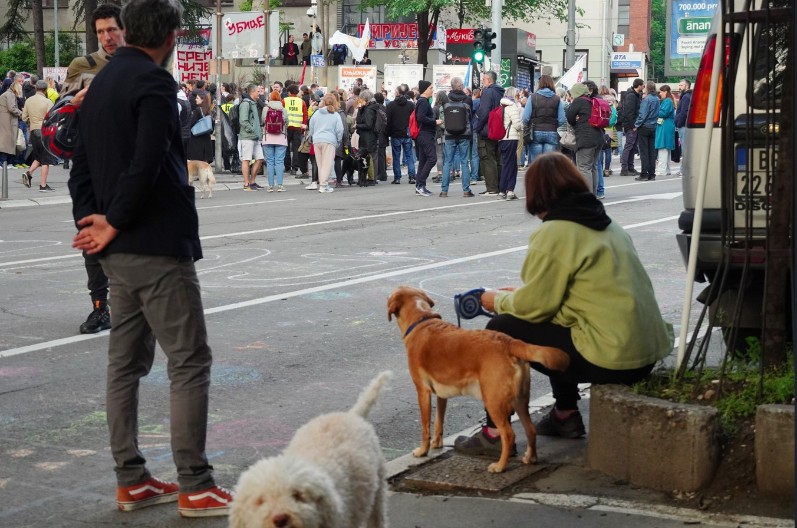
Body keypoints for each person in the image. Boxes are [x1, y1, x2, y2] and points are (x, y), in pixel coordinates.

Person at [67, 0, 233, 516]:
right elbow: (146, 164)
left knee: (125, 363)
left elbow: (81, 166)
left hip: (116, 250)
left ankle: (131, 478)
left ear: (128, 31)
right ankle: (195, 483)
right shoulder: (156, 84)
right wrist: (112, 221)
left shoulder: (99, 85)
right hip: (155, 244)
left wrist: (92, 223)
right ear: (173, 36)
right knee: (188, 361)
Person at [453, 151, 673, 455]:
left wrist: (496, 300)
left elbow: (536, 307)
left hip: (612, 358)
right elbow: (565, 297)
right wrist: (515, 296)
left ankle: (494, 432)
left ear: (538, 194)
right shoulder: (606, 224)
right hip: (643, 352)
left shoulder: (555, 231)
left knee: (500, 330)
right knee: (551, 327)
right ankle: (565, 415)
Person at [63, 3, 126, 334]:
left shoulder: (139, 64)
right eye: (101, 31)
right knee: (89, 235)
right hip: (86, 165)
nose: (106, 37)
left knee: (126, 238)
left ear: (124, 29)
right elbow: (63, 110)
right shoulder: (82, 65)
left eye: (111, 30)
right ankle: (99, 307)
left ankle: (129, 304)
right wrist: (76, 100)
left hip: (123, 165)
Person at [566, 82, 604, 195]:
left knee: (584, 168)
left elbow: (569, 117)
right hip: (598, 138)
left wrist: (576, 119)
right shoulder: (591, 101)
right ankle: (594, 194)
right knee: (593, 167)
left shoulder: (579, 101)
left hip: (586, 139)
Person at [439, 76, 473, 197]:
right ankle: (466, 190)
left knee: (447, 162)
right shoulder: (467, 100)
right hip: (464, 134)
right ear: (462, 87)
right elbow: (470, 118)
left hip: (449, 134)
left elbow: (442, 117)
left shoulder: (446, 100)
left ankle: (444, 190)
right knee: (464, 161)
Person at [20, 80, 57, 192]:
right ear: (45, 90)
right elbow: (52, 118)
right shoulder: (48, 102)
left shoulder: (28, 101)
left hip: (33, 130)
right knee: (46, 159)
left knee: (39, 156)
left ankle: (29, 173)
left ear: (36, 89)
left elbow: (24, 117)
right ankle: (43, 185)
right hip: (44, 131)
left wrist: (31, 122)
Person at [523, 75, 565, 166]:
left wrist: (527, 127)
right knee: (549, 164)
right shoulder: (557, 99)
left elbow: (525, 117)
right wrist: (554, 125)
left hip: (535, 132)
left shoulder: (533, 97)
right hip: (552, 131)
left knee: (536, 163)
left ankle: (537, 180)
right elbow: (562, 119)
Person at [474, 71, 504, 196]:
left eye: (484, 79)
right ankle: (499, 186)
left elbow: (484, 112)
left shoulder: (487, 92)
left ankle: (492, 187)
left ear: (489, 80)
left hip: (487, 129)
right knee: (497, 159)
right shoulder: (500, 92)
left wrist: (477, 127)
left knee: (487, 158)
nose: (482, 82)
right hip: (498, 129)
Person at [308, 93, 344, 193]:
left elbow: (311, 125)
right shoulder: (335, 115)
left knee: (320, 164)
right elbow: (340, 130)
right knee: (327, 164)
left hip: (317, 140)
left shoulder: (317, 113)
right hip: (329, 140)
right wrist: (338, 140)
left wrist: (314, 135)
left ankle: (324, 184)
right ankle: (323, 185)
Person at [386, 83, 416, 184]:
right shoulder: (410, 105)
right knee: (409, 155)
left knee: (396, 156)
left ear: (397, 93)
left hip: (395, 133)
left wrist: (388, 132)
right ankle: (412, 176)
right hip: (407, 132)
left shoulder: (391, 105)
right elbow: (413, 120)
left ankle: (397, 177)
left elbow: (388, 121)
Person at [413, 80, 439, 197]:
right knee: (432, 159)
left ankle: (420, 185)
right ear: (425, 89)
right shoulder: (423, 102)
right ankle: (420, 184)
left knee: (423, 161)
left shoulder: (421, 101)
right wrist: (435, 121)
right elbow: (421, 117)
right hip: (425, 134)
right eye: (430, 88)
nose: (432, 90)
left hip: (422, 134)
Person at [238, 83, 265, 190]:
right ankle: (246, 183)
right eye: (257, 92)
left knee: (260, 159)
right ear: (252, 92)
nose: (259, 94)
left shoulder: (253, 103)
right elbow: (243, 121)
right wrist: (253, 130)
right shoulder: (246, 104)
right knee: (246, 159)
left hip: (255, 136)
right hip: (247, 137)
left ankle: (252, 181)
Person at [498, 87, 523, 200]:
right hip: (511, 137)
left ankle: (505, 189)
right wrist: (521, 127)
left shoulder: (501, 105)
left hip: (502, 138)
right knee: (511, 165)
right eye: (517, 95)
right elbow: (517, 124)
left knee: (508, 163)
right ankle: (507, 190)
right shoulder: (512, 106)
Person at [262, 90, 288, 192]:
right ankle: (280, 185)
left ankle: (270, 186)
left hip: (268, 138)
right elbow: (286, 122)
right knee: (279, 162)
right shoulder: (283, 109)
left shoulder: (265, 109)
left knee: (270, 162)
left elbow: (262, 121)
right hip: (281, 138)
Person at [634, 81, 660, 181]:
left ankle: (644, 174)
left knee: (644, 152)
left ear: (647, 88)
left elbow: (642, 114)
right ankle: (652, 174)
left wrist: (636, 125)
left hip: (644, 127)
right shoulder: (657, 99)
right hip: (653, 126)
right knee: (652, 152)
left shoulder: (647, 99)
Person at [618, 78, 644, 176]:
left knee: (632, 147)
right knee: (629, 146)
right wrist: (633, 125)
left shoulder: (634, 95)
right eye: (643, 85)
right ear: (639, 85)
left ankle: (630, 167)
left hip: (631, 124)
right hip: (631, 125)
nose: (644, 87)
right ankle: (625, 169)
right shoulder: (631, 96)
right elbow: (629, 112)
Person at [355, 89, 379, 186]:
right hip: (370, 136)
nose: (360, 101)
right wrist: (360, 109)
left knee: (368, 157)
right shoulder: (372, 107)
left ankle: (371, 178)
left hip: (368, 136)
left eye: (361, 99)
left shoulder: (369, 110)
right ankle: (370, 178)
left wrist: (357, 126)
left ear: (365, 99)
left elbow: (368, 125)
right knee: (370, 157)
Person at [283, 84, 309, 177]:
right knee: (296, 148)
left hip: (287, 127)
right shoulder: (301, 101)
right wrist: (303, 126)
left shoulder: (284, 100)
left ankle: (287, 166)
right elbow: (305, 115)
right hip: (298, 127)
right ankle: (295, 168)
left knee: (286, 148)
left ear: (289, 92)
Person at [0, 75, 23, 171]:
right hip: (8, 122)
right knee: (6, 144)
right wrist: (22, 113)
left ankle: (6, 162)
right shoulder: (10, 95)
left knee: (6, 143)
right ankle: (4, 162)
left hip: (6, 121)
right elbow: (12, 108)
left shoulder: (8, 94)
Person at [654, 84, 676, 177]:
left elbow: (662, 113)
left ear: (665, 92)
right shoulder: (669, 101)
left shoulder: (667, 101)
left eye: (661, 91)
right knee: (666, 148)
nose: (660, 93)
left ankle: (661, 169)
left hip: (665, 125)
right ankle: (667, 169)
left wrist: (655, 110)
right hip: (667, 125)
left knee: (663, 147)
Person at [186, 90, 214, 164]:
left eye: (197, 98)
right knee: (204, 165)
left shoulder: (197, 111)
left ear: (202, 99)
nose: (195, 99)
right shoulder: (208, 111)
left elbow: (191, 123)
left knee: (196, 164)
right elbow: (211, 127)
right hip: (206, 141)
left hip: (197, 141)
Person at [674, 79, 692, 170]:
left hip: (683, 125)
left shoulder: (686, 97)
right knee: (685, 148)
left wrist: (679, 123)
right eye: (679, 85)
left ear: (687, 86)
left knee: (685, 149)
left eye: (681, 85)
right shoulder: (687, 96)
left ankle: (684, 169)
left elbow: (684, 112)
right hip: (684, 125)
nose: (679, 87)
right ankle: (683, 169)